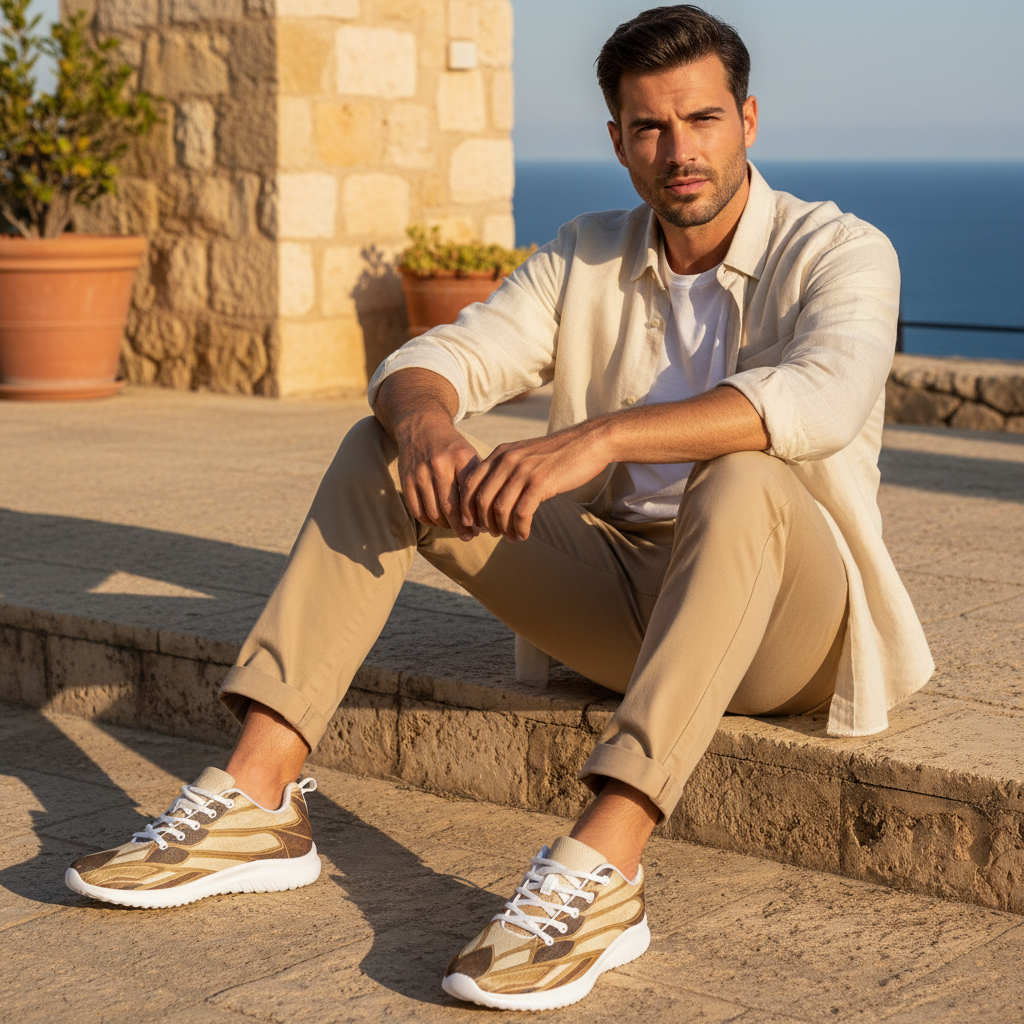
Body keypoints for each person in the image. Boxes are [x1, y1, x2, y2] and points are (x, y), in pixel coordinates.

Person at [64, 4, 933, 1012]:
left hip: (786, 632)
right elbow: (434, 357)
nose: (678, 151)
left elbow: (820, 397)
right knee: (383, 451)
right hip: (626, 601)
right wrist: (427, 424)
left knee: (741, 475)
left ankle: (605, 867)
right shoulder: (587, 253)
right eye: (649, 128)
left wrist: (600, 437)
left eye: (701, 119)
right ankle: (258, 798)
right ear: (618, 141)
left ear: (746, 119)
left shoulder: (840, 249)